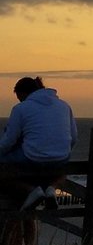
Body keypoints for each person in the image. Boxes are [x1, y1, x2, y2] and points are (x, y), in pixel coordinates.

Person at [0, 77, 78, 213]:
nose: (20, 101)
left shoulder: (20, 108)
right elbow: (73, 137)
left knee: (4, 170)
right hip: (61, 158)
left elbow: (8, 141)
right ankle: (51, 189)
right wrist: (59, 153)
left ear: (23, 93)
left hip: (33, 158)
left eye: (20, 97)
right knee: (62, 172)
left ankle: (32, 191)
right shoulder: (64, 106)